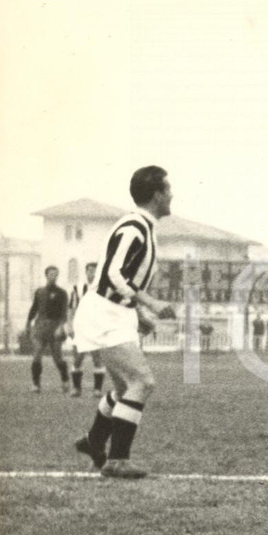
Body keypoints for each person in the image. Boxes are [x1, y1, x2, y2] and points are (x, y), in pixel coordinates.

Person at [70, 165, 177, 478]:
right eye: (167, 190)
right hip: (105, 312)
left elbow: (121, 278)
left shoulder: (143, 226)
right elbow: (113, 274)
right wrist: (150, 303)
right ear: (156, 195)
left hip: (113, 311)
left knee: (122, 388)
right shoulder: (134, 227)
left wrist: (138, 313)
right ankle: (117, 460)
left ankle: (94, 442)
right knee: (142, 382)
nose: (172, 195)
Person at [26, 265, 71, 393]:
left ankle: (65, 380)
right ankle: (36, 384)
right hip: (40, 326)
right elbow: (34, 308)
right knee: (37, 354)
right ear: (46, 275)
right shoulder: (39, 292)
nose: (53, 277)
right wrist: (28, 324)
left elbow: (64, 312)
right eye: (51, 274)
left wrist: (62, 327)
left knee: (57, 357)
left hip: (55, 326)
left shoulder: (62, 293)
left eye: (55, 274)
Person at [66, 262, 106, 397]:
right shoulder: (78, 288)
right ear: (86, 272)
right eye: (90, 271)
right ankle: (76, 389)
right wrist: (70, 325)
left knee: (97, 358)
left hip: (96, 327)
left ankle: (97, 389)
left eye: (95, 271)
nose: (92, 274)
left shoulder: (103, 288)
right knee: (77, 358)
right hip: (81, 327)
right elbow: (71, 309)